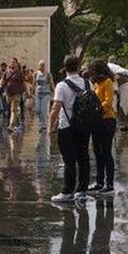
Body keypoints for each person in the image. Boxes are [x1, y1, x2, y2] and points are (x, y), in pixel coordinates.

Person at [49, 54, 92, 203]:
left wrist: (50, 126)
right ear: (79, 67)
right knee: (83, 158)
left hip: (67, 126)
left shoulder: (62, 85)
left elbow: (56, 108)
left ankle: (67, 191)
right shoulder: (88, 84)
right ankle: (82, 190)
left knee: (69, 160)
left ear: (64, 67)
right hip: (84, 126)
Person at [86, 59, 117, 195]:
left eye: (92, 71)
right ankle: (99, 182)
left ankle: (109, 184)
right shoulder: (96, 84)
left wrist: (97, 108)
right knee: (98, 153)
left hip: (107, 120)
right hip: (96, 120)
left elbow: (108, 102)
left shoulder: (108, 82)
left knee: (106, 153)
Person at [34, 60, 53, 132]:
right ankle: (41, 122)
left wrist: (54, 91)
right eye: (40, 65)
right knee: (37, 110)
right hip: (38, 93)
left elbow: (51, 83)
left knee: (43, 110)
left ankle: (43, 125)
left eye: (43, 65)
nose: (42, 66)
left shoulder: (48, 74)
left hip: (46, 93)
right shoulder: (36, 74)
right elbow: (34, 83)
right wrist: (31, 92)